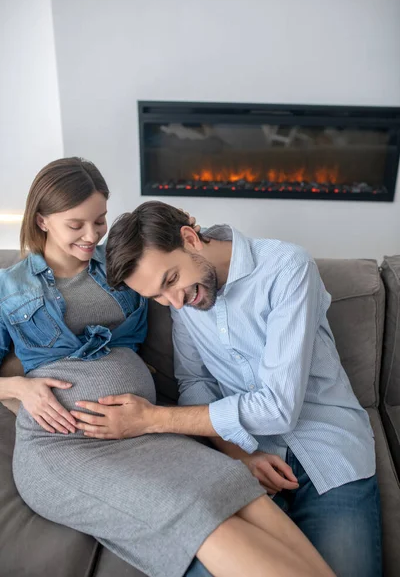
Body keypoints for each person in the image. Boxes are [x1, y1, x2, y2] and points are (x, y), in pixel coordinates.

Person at [0, 158, 334, 577]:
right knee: (203, 519)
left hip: (143, 428)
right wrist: (18, 388)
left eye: (100, 220)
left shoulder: (128, 266)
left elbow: (189, 255)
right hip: (66, 446)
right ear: (43, 220)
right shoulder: (8, 288)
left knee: (241, 490)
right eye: (76, 225)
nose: (91, 235)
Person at [98, 200, 382, 577]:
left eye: (170, 281)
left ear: (189, 238)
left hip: (327, 449)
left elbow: (278, 408)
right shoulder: (183, 302)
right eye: (158, 297)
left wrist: (152, 419)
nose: (175, 302)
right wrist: (237, 455)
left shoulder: (287, 267)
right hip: (246, 456)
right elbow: (195, 381)